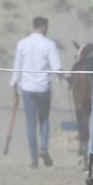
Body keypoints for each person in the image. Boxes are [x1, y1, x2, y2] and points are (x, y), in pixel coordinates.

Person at [10, 16, 62, 168]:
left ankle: (34, 159)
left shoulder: (22, 44)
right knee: (44, 119)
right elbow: (57, 67)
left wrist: (14, 88)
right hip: (43, 88)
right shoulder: (49, 44)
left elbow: (16, 68)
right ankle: (43, 146)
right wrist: (62, 78)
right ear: (44, 27)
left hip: (27, 88)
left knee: (31, 124)